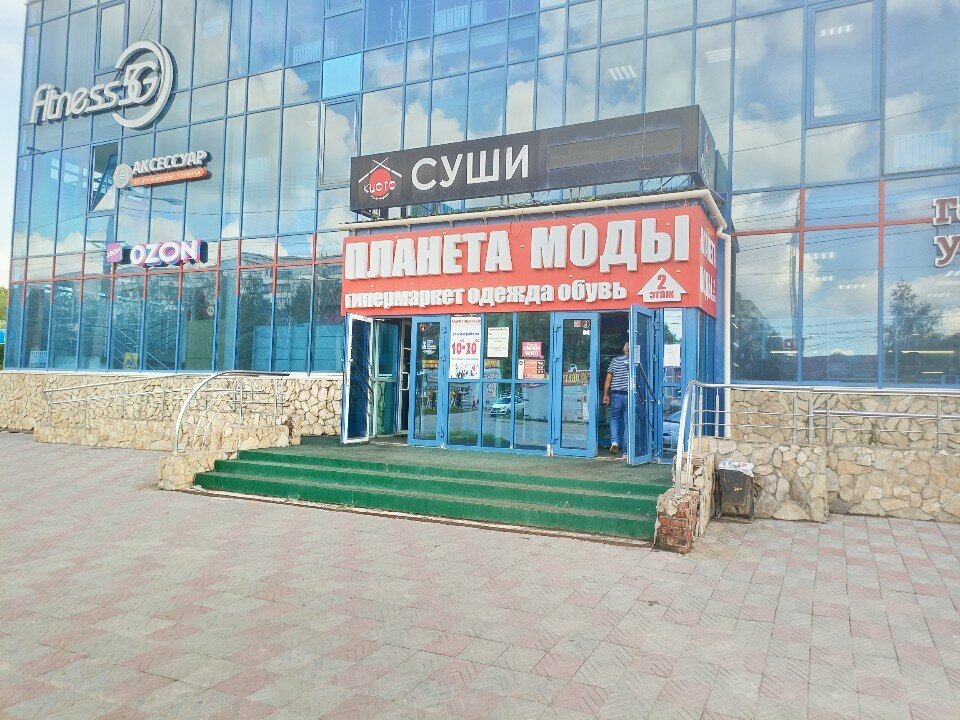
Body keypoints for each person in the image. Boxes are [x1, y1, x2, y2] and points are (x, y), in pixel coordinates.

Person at [603, 342, 630, 457]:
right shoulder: (634, 361)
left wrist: (606, 394)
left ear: (624, 349)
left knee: (615, 419)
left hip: (616, 394)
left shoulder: (615, 361)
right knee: (628, 423)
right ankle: (626, 452)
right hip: (629, 395)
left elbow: (608, 380)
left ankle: (614, 441)